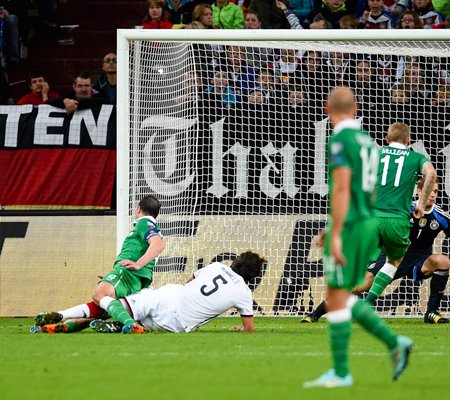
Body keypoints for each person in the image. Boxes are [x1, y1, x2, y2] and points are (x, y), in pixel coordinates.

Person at [303, 87, 412, 389]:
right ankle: (393, 343)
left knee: (337, 295)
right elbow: (370, 189)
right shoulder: (368, 142)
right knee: (341, 296)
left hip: (351, 225)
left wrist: (336, 231)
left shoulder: (341, 140)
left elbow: (340, 187)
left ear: (327, 108)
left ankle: (342, 371)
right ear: (355, 108)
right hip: (367, 220)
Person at [303, 175, 450, 324]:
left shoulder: (443, 218)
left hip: (420, 260)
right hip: (392, 257)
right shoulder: (401, 209)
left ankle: (431, 312)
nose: (432, 195)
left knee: (443, 261)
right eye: (428, 190)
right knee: (357, 287)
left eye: (435, 191)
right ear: (419, 192)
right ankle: (316, 314)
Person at [31, 196, 165, 334]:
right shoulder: (151, 227)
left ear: (138, 209)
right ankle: (59, 319)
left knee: (99, 295)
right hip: (133, 277)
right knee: (101, 307)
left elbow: (158, 245)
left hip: (128, 273)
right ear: (157, 214)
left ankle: (132, 325)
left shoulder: (144, 223)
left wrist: (138, 264)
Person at [61, 251, 264, 334]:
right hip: (177, 322)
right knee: (140, 325)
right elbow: (249, 328)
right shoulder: (244, 293)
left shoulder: (217, 266)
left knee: (110, 305)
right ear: (254, 276)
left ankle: (62, 316)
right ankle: (117, 326)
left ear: (235, 261)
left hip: (168, 296)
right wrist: (241, 328)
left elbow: (190, 281)